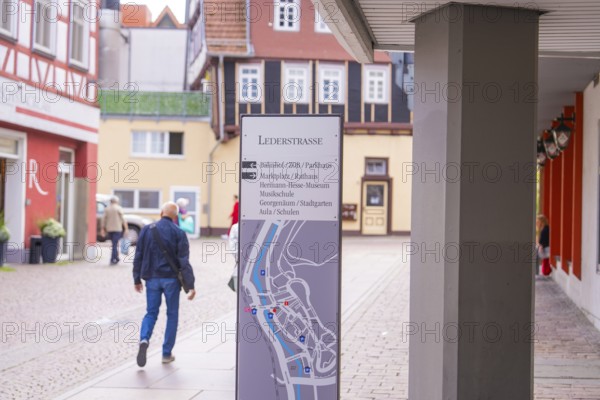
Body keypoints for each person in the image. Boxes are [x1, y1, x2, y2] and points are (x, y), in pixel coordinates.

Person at [133, 201, 196, 367]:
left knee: (151, 312)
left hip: (152, 279)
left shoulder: (147, 230)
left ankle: (144, 339)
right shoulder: (179, 232)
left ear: (161, 212)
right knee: (172, 314)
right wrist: (190, 285)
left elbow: (138, 255)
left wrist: (136, 279)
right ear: (175, 217)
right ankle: (166, 354)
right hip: (171, 280)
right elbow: (184, 261)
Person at [101, 196, 128, 265]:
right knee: (115, 244)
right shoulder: (118, 208)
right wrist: (126, 228)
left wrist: (103, 229)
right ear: (116, 201)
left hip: (109, 229)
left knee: (114, 244)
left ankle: (115, 257)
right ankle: (113, 259)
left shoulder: (107, 209)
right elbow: (123, 219)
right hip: (117, 229)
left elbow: (103, 219)